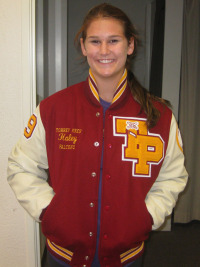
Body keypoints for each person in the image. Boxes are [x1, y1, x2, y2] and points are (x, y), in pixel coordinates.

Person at [7, 3, 188, 267]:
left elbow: (173, 176)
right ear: (83, 46)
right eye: (95, 41)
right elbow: (20, 167)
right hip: (63, 255)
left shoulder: (159, 116)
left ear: (129, 45)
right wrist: (49, 211)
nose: (104, 50)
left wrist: (147, 216)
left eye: (113, 40)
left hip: (126, 256)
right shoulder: (53, 109)